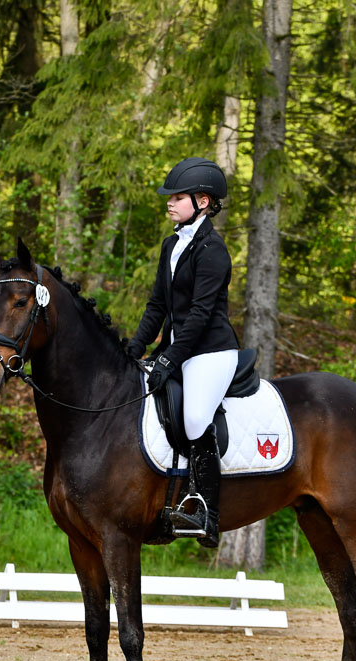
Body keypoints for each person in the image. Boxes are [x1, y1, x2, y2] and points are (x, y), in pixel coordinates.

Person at [127, 157, 239, 548]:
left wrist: (168, 360)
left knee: (194, 419)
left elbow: (199, 317)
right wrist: (136, 347)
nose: (169, 202)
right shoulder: (172, 244)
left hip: (210, 352)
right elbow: (158, 305)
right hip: (177, 348)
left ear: (203, 201)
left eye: (178, 197)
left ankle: (206, 511)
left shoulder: (213, 250)